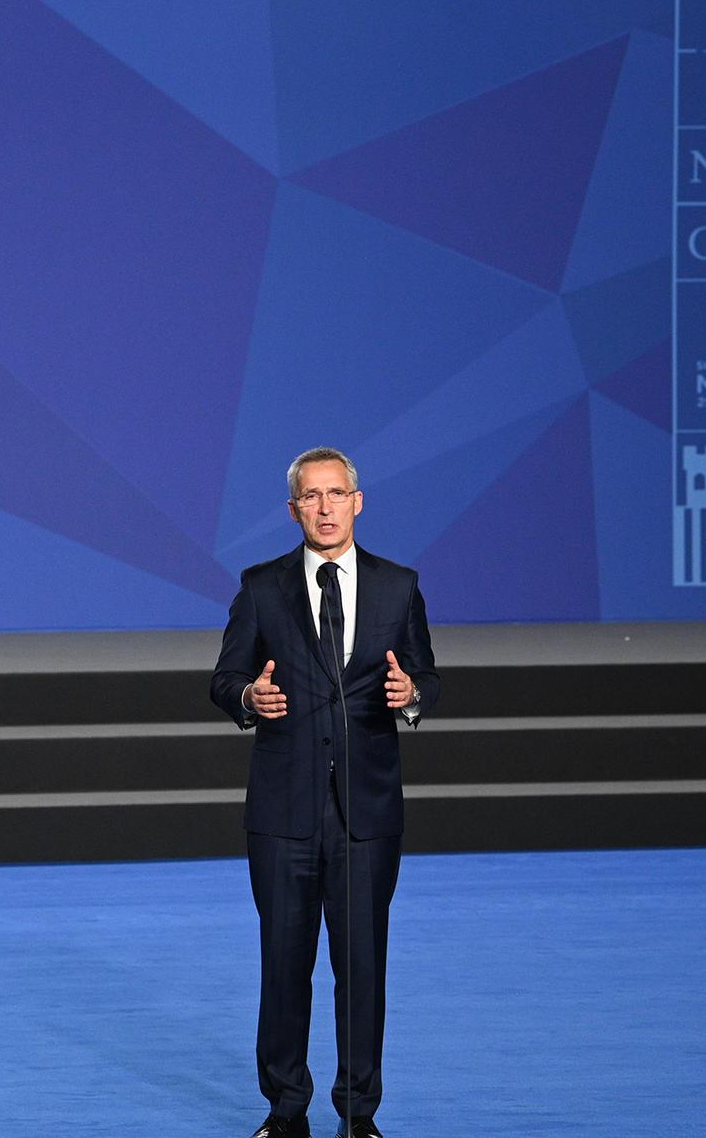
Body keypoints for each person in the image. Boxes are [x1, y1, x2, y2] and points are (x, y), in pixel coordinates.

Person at [210, 447, 440, 1138]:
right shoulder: (260, 587)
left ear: (357, 501)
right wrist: (249, 694)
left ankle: (359, 1115)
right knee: (283, 964)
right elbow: (222, 679)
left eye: (336, 493)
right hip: (283, 813)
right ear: (293, 509)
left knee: (362, 967)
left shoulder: (399, 586)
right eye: (311, 496)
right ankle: (285, 1111)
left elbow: (427, 675)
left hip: (365, 813)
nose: (325, 506)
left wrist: (411, 698)